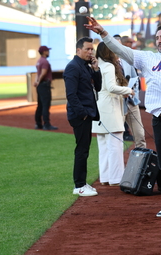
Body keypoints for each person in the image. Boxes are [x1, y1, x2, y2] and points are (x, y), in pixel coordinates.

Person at [85, 18, 161, 217]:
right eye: (157, 38)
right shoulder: (148, 58)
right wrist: (103, 33)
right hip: (159, 117)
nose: (159, 41)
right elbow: (122, 50)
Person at [64, 37, 102, 196]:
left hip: (85, 113)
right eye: (87, 49)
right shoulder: (73, 67)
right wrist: (83, 114)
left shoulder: (86, 66)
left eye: (92, 49)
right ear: (78, 50)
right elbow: (71, 95)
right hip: (80, 115)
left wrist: (96, 70)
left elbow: (98, 87)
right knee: (81, 150)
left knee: (84, 149)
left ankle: (82, 183)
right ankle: (79, 185)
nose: (90, 52)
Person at [92, 42, 134, 186]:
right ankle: (116, 178)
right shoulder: (109, 66)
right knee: (115, 145)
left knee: (103, 146)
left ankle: (105, 177)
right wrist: (128, 90)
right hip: (110, 106)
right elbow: (111, 87)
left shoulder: (97, 66)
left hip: (99, 106)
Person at [114, 35, 146, 148]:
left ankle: (141, 164)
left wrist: (134, 95)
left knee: (140, 135)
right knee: (116, 139)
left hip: (131, 102)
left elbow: (135, 78)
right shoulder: (105, 64)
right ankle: (118, 165)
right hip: (116, 104)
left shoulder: (127, 60)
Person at [34, 46, 58, 130]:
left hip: (40, 86)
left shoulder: (39, 61)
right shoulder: (45, 62)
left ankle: (38, 123)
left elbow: (38, 73)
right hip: (44, 85)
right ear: (44, 52)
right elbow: (43, 73)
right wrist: (39, 81)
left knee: (40, 105)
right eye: (47, 50)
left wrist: (36, 82)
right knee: (45, 105)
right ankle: (46, 124)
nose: (48, 52)